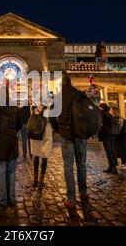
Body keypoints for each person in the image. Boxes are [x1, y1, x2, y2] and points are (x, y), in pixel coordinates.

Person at [52, 76, 89, 209]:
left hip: (66, 134)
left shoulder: (59, 97)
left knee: (68, 165)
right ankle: (84, 192)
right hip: (81, 134)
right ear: (71, 83)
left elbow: (51, 115)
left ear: (61, 85)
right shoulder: (80, 94)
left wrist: (59, 129)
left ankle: (71, 199)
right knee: (82, 164)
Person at [29, 105, 53, 188]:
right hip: (45, 134)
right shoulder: (48, 108)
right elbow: (50, 120)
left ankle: (35, 179)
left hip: (35, 134)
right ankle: (41, 180)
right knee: (44, 156)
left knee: (36, 155)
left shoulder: (33, 107)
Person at [99, 103, 117, 175]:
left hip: (106, 136)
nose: (99, 109)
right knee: (112, 150)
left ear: (102, 108)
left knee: (109, 151)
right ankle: (114, 167)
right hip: (111, 135)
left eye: (100, 107)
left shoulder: (103, 115)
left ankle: (112, 167)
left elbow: (103, 126)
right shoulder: (109, 114)